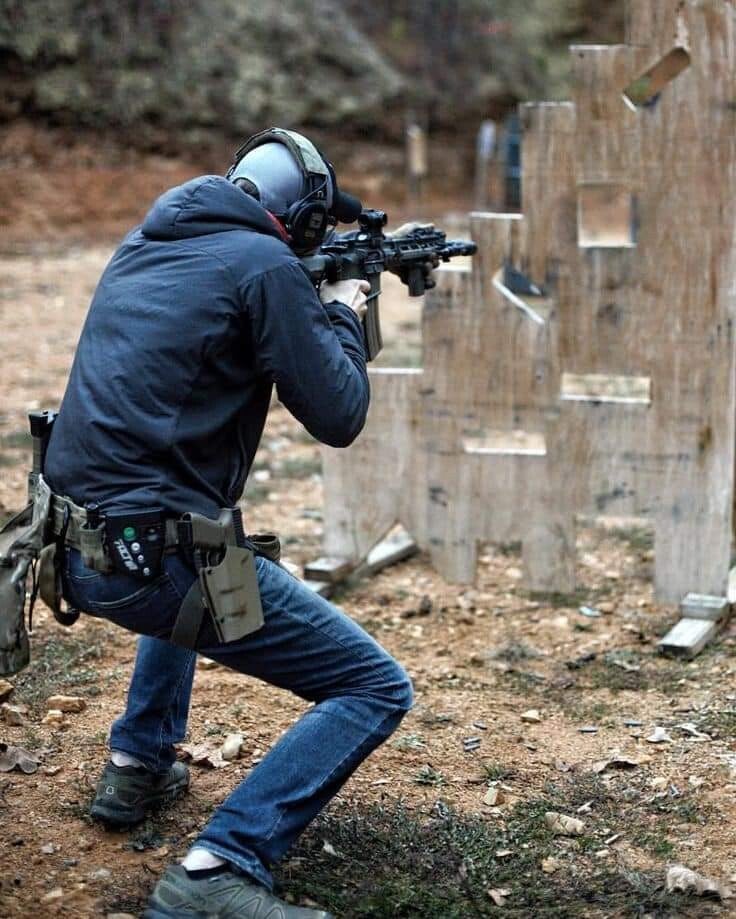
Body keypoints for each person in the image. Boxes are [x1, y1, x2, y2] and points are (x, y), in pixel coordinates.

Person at [44, 128, 413, 919]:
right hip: (156, 566)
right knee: (374, 685)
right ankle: (219, 867)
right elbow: (340, 413)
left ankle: (138, 763)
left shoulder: (146, 244)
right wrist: (345, 310)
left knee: (212, 532)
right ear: (303, 220)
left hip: (78, 554)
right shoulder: (266, 268)